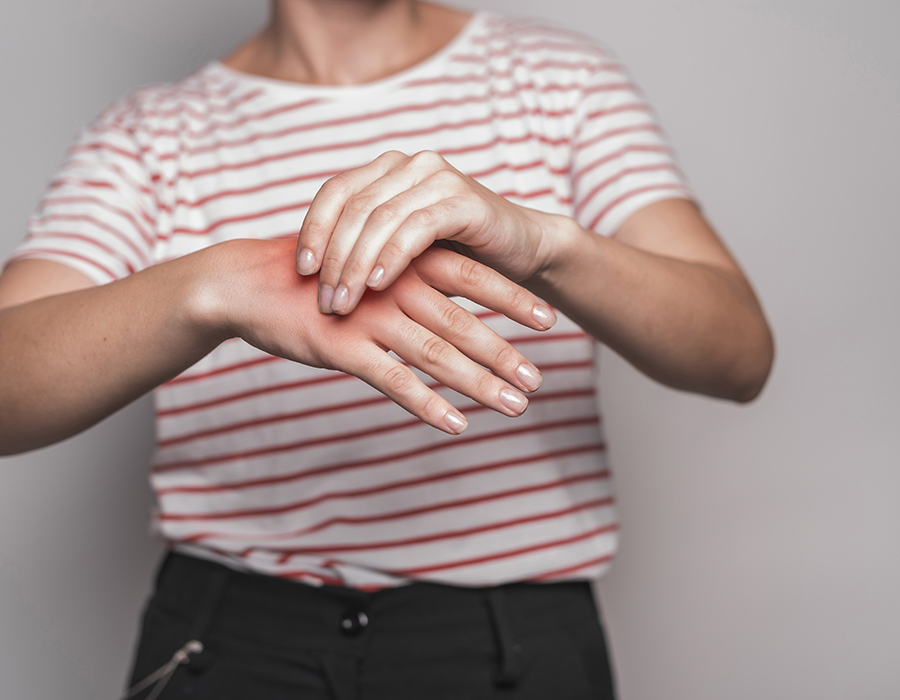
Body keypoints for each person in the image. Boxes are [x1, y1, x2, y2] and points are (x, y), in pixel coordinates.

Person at [0, 1, 774, 698]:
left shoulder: (558, 81)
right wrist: (208, 289)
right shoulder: (149, 135)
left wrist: (546, 245)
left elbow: (739, 355)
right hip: (229, 643)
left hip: (510, 644)